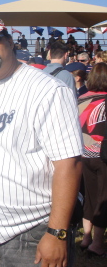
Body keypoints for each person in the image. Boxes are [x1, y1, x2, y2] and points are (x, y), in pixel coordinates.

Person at [0, 15, 83, 267]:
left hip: (33, 234)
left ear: (10, 41)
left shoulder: (47, 90)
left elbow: (69, 163)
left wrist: (57, 233)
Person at [77, 63, 107, 258]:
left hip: (84, 154)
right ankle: (97, 243)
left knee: (89, 194)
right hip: (103, 155)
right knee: (103, 198)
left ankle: (86, 236)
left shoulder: (81, 98)